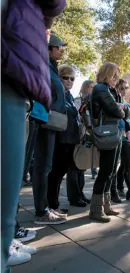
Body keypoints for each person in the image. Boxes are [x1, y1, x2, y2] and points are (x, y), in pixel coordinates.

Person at [1, 0, 66, 270]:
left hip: (20, 91)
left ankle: (9, 237)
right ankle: (24, 223)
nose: (62, 50)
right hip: (14, 84)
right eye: (60, 47)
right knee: (32, 170)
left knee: (21, 176)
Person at [32, 33, 68, 225]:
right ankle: (41, 212)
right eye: (59, 47)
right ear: (49, 48)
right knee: (41, 167)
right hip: (43, 120)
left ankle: (45, 208)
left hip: (51, 122)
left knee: (46, 167)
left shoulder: (52, 68)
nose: (61, 50)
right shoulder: (43, 65)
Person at [47, 65, 88, 209]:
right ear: (59, 78)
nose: (69, 81)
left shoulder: (69, 96)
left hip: (70, 139)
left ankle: (53, 204)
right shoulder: (57, 94)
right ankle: (51, 204)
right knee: (56, 173)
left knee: (61, 171)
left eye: (72, 78)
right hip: (60, 138)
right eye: (66, 77)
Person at [89, 62, 125, 222]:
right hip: (107, 133)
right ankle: (96, 210)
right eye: (113, 75)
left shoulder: (110, 90)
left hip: (114, 133)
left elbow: (125, 110)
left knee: (111, 171)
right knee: (105, 171)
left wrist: (122, 108)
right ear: (105, 74)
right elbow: (118, 111)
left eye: (117, 76)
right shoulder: (101, 89)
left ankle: (106, 205)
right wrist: (121, 108)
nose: (116, 79)